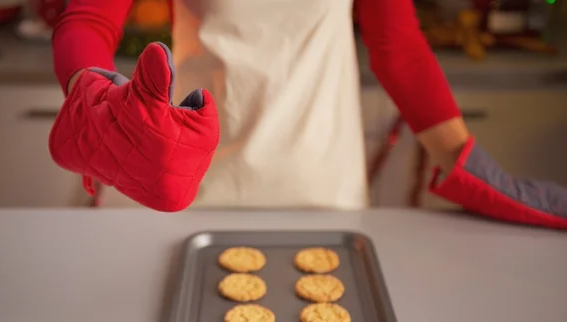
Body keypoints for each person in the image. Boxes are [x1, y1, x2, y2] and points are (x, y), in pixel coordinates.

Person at [48, 0, 567, 229]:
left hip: (321, 188)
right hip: (183, 187)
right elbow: (89, 20)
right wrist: (93, 96)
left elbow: (398, 47)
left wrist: (472, 169)